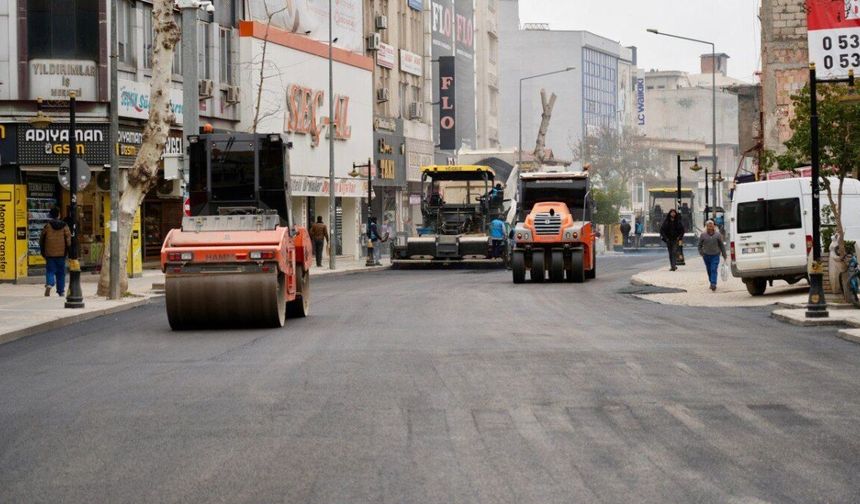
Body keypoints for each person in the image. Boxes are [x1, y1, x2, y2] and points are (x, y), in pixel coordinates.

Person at [40, 207, 71, 297]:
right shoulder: (65, 226)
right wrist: (69, 250)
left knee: (50, 271)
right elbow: (68, 239)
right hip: (61, 253)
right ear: (59, 215)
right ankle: (61, 291)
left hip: (49, 253)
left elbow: (42, 239)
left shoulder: (47, 226)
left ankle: (49, 283)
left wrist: (43, 251)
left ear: (50, 215)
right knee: (61, 273)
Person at [698, 220, 727, 291]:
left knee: (713, 269)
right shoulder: (703, 235)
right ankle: (711, 281)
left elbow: (721, 245)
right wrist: (701, 253)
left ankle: (713, 283)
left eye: (711, 226)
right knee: (709, 270)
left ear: (714, 226)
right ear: (706, 227)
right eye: (709, 226)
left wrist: (724, 254)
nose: (710, 227)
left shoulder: (718, 235)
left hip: (715, 255)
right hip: (706, 255)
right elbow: (699, 245)